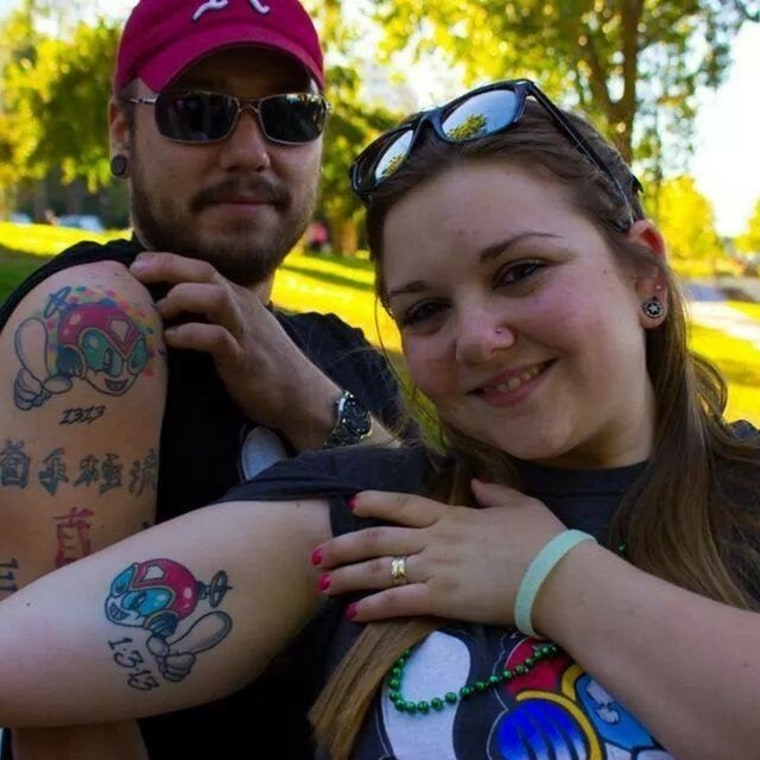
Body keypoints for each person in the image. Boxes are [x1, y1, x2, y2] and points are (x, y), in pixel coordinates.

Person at [0, 77, 758, 759]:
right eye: (426, 310)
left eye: (521, 272)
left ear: (645, 278)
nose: (478, 340)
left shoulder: (745, 499)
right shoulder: (372, 514)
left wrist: (553, 579)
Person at [0, 0, 409, 757]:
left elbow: (450, 538)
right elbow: (64, 725)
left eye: (289, 115)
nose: (251, 152)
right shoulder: (96, 320)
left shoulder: (345, 360)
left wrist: (311, 400)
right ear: (123, 129)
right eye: (200, 111)